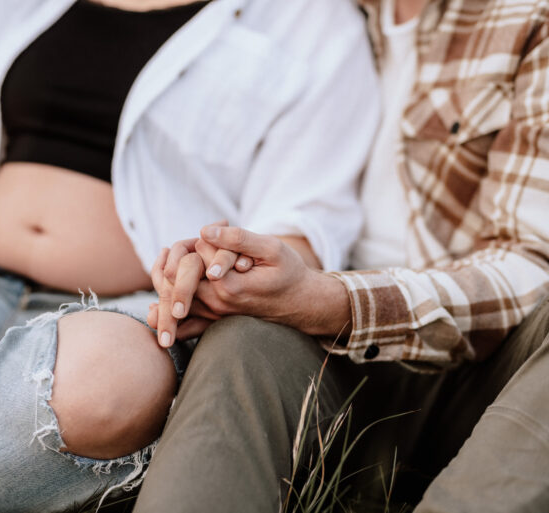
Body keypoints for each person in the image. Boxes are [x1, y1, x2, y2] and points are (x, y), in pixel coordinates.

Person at [0, 0, 379, 511]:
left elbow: (304, 228)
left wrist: (212, 265)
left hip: (117, 322)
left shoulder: (314, 23)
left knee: (113, 383)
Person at [133, 0, 549, 511]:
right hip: (331, 359)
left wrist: (329, 299)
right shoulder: (313, 17)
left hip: (481, 376)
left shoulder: (528, 18)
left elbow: (531, 265)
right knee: (243, 339)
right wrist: (220, 268)